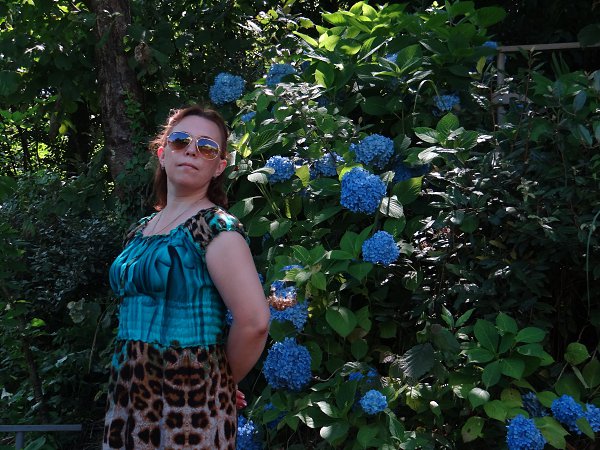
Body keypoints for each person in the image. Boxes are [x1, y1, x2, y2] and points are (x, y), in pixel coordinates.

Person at [102, 105, 270, 449]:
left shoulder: (216, 229)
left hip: (189, 411)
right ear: (163, 155)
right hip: (127, 399)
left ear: (219, 166)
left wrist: (219, 382)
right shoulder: (140, 231)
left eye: (206, 147)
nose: (192, 150)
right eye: (181, 141)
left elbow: (254, 322)